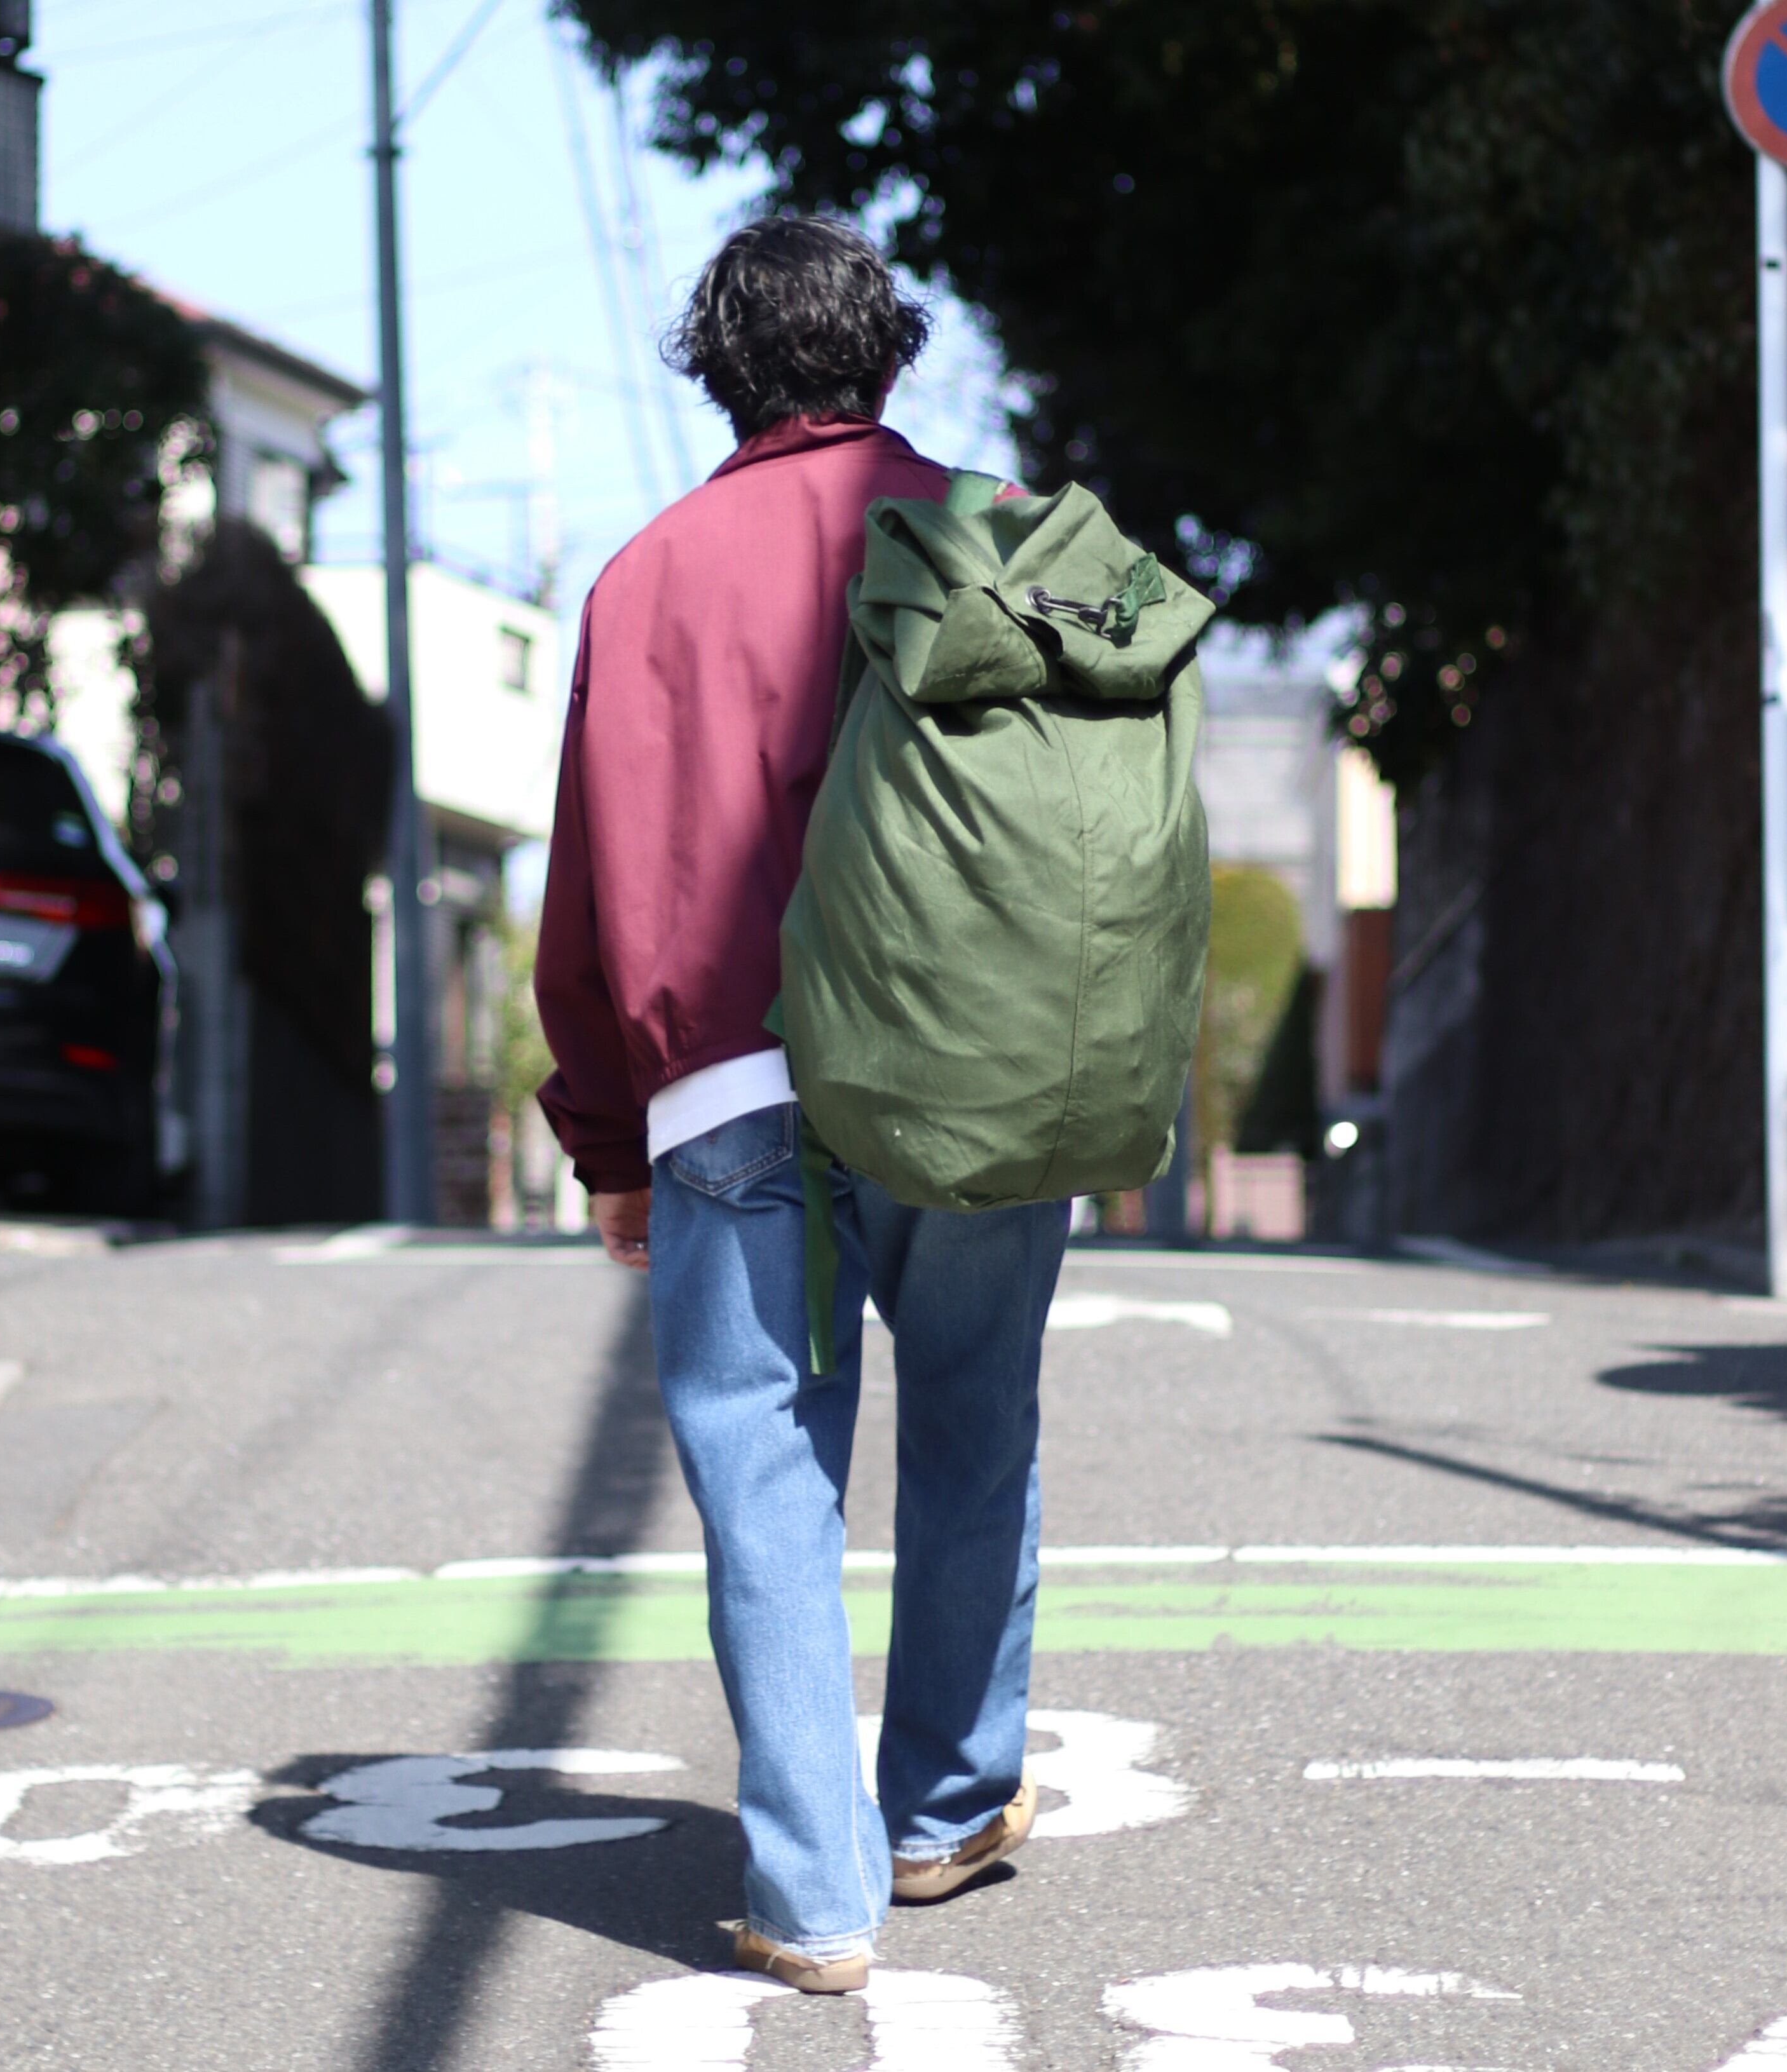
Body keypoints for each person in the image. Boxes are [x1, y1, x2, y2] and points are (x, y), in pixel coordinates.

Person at [534, 217, 1069, 1995]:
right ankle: (941, 1814)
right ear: (890, 351)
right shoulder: (999, 536)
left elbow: (588, 891)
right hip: (974, 1067)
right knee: (978, 1421)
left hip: (733, 1088)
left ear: (719, 367)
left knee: (766, 1473)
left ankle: (815, 1901)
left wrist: (610, 1145)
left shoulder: (644, 579)